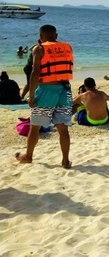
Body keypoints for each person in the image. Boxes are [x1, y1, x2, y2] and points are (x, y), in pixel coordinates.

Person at [15, 24, 74, 169]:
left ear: (40, 37)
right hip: (64, 91)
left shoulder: (38, 48)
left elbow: (35, 72)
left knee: (34, 127)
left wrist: (31, 95)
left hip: (46, 91)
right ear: (56, 36)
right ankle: (65, 161)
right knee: (63, 129)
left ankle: (28, 156)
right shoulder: (68, 47)